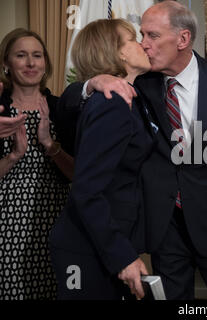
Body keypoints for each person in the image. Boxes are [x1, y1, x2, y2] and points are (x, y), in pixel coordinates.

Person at [61, 1, 207, 300]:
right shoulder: (137, 81)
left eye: (152, 36)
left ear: (183, 39)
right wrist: (92, 82)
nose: (144, 45)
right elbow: (65, 104)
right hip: (163, 224)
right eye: (140, 35)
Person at [49, 19, 156, 300]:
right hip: (86, 247)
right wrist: (122, 257)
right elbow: (87, 191)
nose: (143, 44)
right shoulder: (112, 103)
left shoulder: (129, 96)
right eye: (133, 38)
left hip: (104, 240)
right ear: (118, 52)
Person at [0, 28, 74, 300]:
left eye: (37, 56)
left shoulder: (62, 108)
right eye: (21, 56)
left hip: (57, 221)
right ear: (6, 63)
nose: (31, 64)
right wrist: (13, 157)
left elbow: (77, 175)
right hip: (6, 225)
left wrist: (49, 145)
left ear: (45, 63)